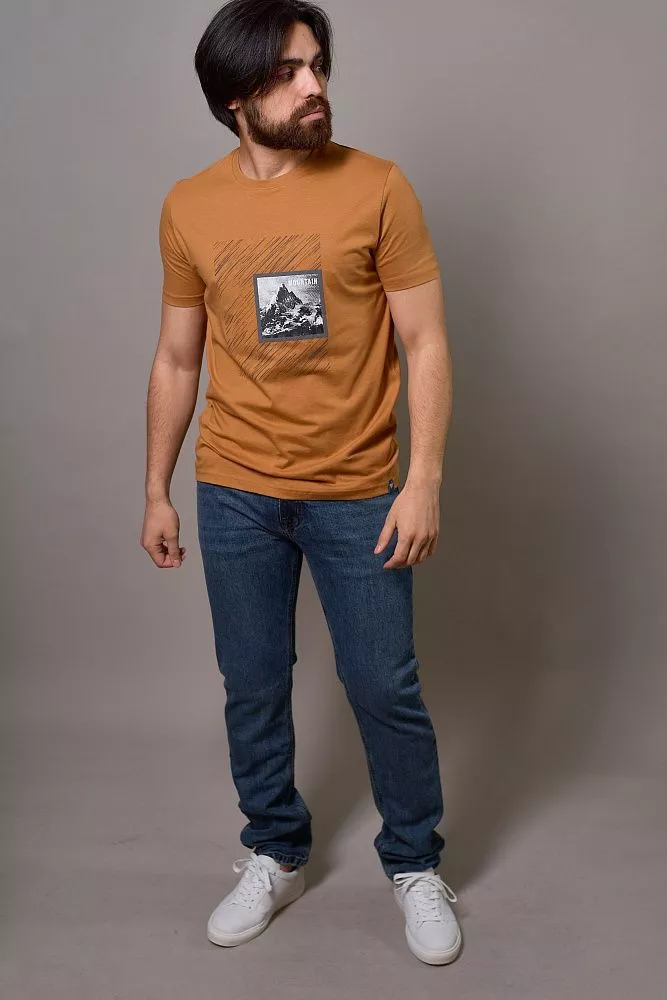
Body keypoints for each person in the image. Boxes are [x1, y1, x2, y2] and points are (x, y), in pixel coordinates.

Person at [140, 0, 461, 966]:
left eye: (317, 65)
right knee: (250, 683)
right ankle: (274, 851)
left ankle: (414, 862)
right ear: (235, 99)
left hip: (359, 489)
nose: (314, 86)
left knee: (382, 685)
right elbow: (177, 359)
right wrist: (156, 488)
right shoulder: (188, 206)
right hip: (234, 488)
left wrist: (422, 479)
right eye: (287, 73)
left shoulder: (378, 187)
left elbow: (424, 341)